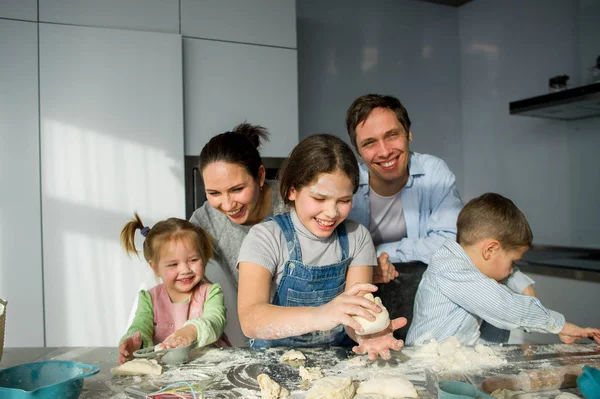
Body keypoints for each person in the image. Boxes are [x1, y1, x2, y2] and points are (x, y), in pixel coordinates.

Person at [237, 134, 407, 360]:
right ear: (292, 190)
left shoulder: (357, 237)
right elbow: (251, 320)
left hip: (337, 361)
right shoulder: (265, 238)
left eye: (344, 201)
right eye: (319, 199)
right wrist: (321, 315)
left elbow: (356, 316)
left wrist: (367, 332)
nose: (331, 213)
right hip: (272, 361)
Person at [406, 193, 600, 346]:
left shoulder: (471, 264)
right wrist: (559, 325)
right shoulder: (450, 269)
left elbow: (505, 275)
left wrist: (524, 286)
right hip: (425, 368)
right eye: (513, 262)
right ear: (490, 249)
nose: (511, 270)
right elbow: (504, 306)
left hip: (450, 364)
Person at [118, 213, 227, 364]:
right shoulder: (149, 298)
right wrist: (135, 340)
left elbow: (215, 320)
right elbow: (141, 325)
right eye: (173, 264)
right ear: (155, 267)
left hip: (209, 366)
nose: (185, 270)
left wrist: (190, 331)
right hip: (165, 371)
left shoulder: (211, 292)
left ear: (203, 257)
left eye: (193, 260)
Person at [189, 123, 287, 287]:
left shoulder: (292, 202)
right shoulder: (206, 221)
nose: (227, 206)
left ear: (260, 176)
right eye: (214, 193)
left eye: (237, 189)